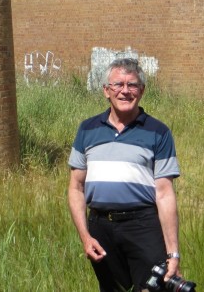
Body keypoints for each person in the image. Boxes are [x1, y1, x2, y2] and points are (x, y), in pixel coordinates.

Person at [68, 58, 181, 292]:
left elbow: (165, 193)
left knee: (152, 289)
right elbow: (76, 188)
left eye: (132, 85)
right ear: (106, 91)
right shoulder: (87, 129)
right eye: (118, 84)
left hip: (143, 225)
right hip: (100, 226)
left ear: (142, 91)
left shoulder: (158, 132)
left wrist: (173, 253)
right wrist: (85, 237)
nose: (125, 91)